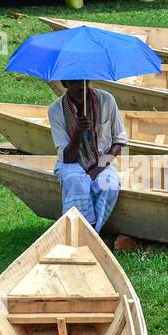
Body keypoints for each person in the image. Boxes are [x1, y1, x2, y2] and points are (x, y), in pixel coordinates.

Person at [48, 79, 126, 231]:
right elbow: (67, 157)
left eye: (84, 81)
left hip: (103, 160)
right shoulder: (56, 110)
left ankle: (94, 230)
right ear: (65, 84)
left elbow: (119, 141)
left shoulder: (106, 100)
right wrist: (77, 133)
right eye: (75, 82)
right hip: (72, 162)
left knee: (108, 184)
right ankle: (78, 229)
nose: (81, 86)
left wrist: (98, 168)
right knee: (75, 180)